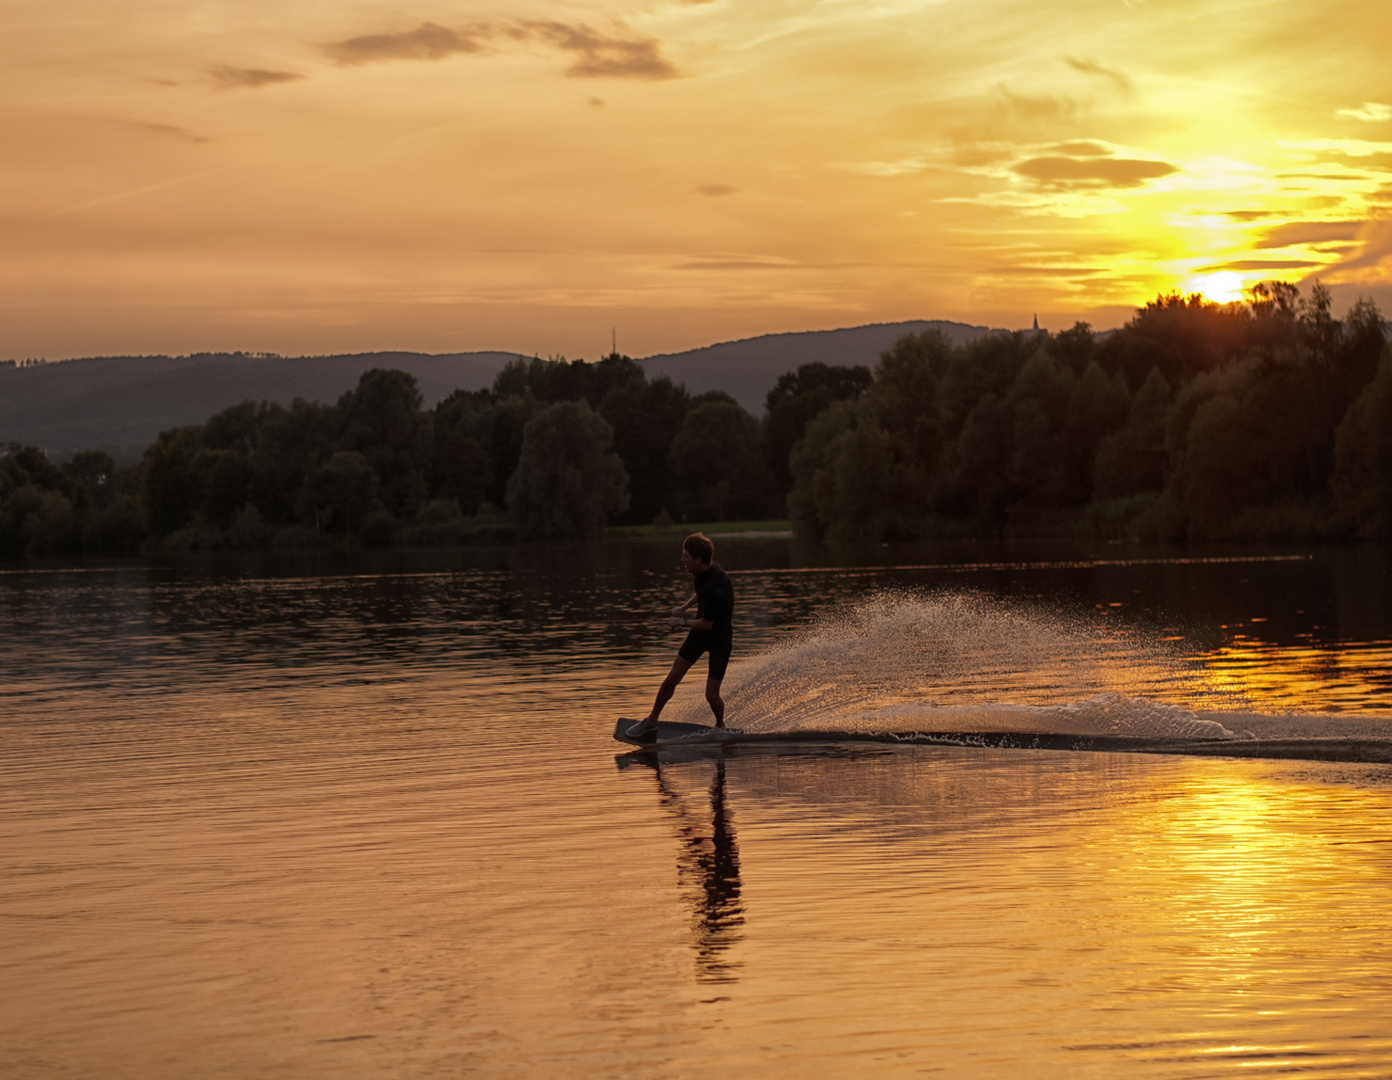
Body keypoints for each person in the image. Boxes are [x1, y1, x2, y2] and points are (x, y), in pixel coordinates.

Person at [626, 533, 734, 740]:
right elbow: (701, 594)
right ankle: (651, 721)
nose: (682, 559)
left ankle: (720, 725)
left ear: (698, 560)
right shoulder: (702, 572)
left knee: (711, 696)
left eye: (685, 556)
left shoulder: (715, 583)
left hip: (719, 639)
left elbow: (707, 624)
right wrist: (684, 608)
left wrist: (681, 622)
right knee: (672, 678)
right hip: (700, 634)